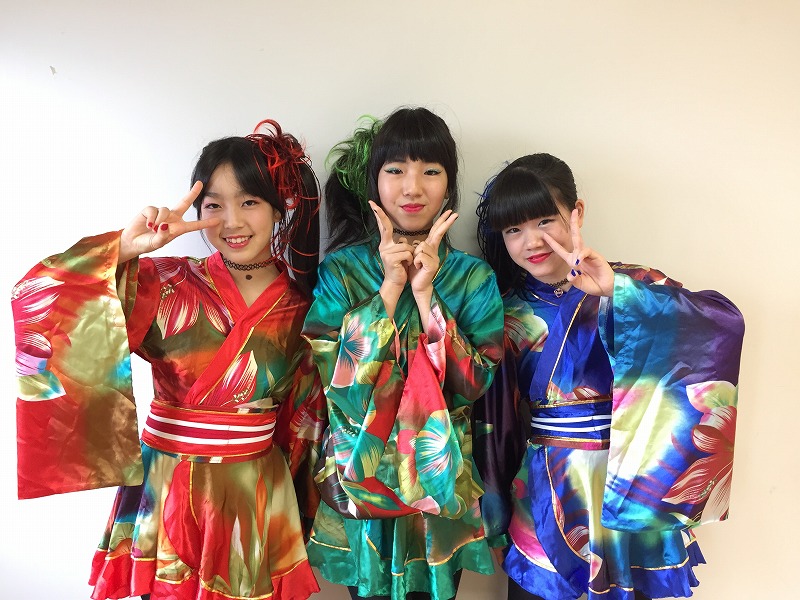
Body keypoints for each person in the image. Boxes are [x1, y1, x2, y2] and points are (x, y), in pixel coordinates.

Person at [12, 120, 326, 600]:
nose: (232, 222)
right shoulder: (166, 281)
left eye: (249, 202)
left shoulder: (306, 304)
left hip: (253, 489)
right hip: (166, 484)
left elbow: (304, 420)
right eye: (214, 205)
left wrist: (304, 510)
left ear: (278, 207)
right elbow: (44, 297)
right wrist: (125, 248)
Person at [473, 153, 745, 600]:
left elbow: (722, 324)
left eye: (545, 220)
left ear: (576, 212)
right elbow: (494, 421)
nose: (531, 241)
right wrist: (495, 507)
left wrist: (618, 292)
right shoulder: (502, 309)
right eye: (513, 229)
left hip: (632, 477)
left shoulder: (631, 281)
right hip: (548, 482)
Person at [302, 107, 505, 600]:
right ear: (374, 181)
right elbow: (332, 382)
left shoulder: (473, 277)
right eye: (396, 170)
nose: (413, 188)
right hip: (361, 475)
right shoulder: (342, 271)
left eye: (430, 171)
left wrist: (425, 294)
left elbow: (474, 383)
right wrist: (389, 291)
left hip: (439, 477)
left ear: (449, 184)